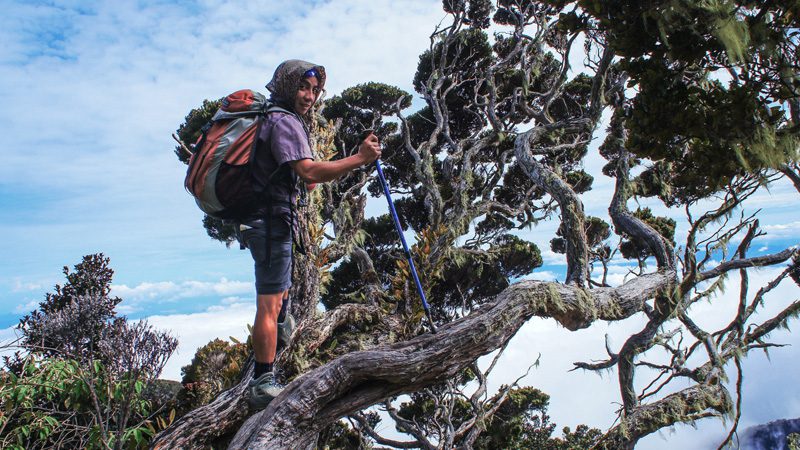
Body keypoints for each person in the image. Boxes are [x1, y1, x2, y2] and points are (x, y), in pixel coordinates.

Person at [238, 59, 381, 409]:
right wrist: (359, 159)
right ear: (287, 86)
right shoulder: (283, 121)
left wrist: (314, 175)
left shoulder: (275, 118)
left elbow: (305, 176)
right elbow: (308, 170)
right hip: (269, 223)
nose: (309, 96)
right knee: (269, 306)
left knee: (281, 296)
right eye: (303, 88)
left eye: (315, 90)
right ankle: (262, 381)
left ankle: (279, 333)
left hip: (269, 220)